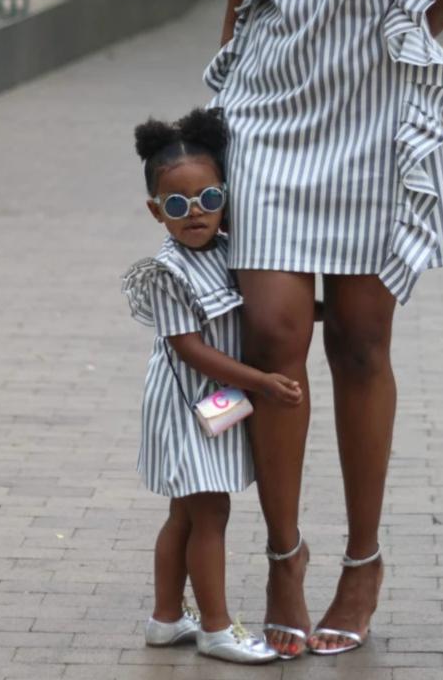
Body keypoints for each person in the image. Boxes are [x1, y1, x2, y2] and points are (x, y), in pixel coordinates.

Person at [163, 0, 443, 658]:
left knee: (361, 342)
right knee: (272, 334)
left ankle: (364, 561)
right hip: (265, 118)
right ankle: (283, 556)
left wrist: (385, 61)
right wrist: (216, 104)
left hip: (369, 124)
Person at [122, 107, 303, 664]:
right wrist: (263, 383)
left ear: (227, 195)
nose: (195, 213)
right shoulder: (167, 273)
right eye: (177, 204)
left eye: (208, 199)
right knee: (210, 513)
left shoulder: (230, 251)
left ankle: (165, 619)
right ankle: (216, 629)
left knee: (184, 513)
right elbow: (190, 349)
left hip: (214, 402)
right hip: (187, 402)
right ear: (157, 211)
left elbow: (257, 312)